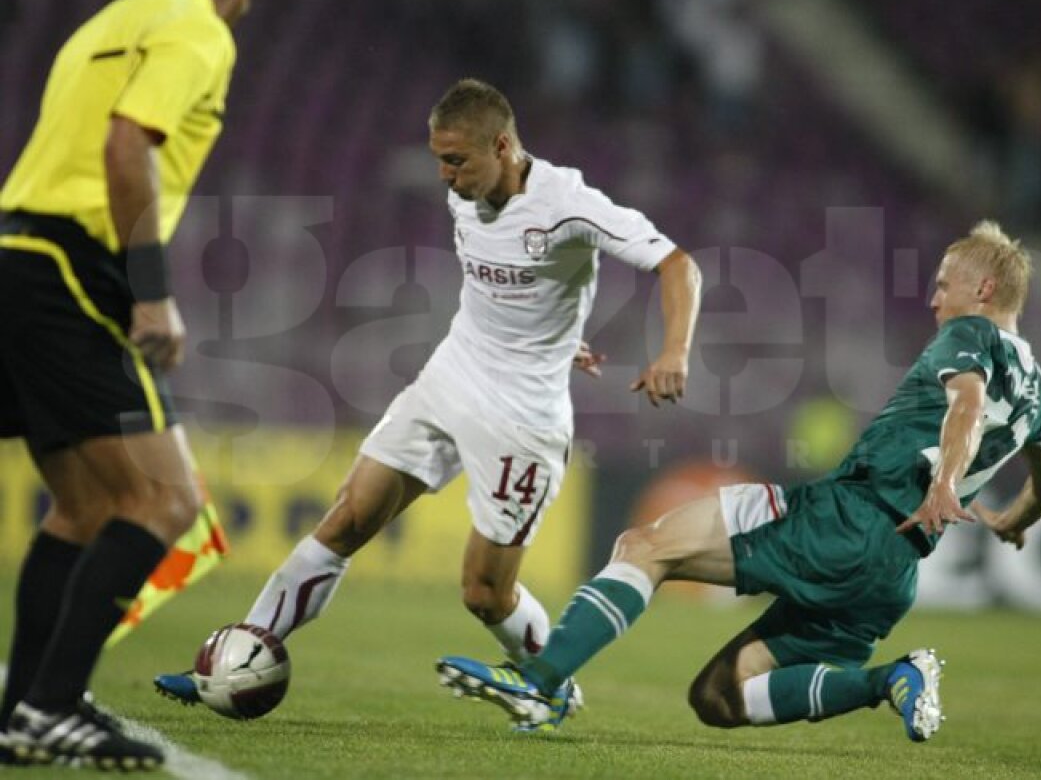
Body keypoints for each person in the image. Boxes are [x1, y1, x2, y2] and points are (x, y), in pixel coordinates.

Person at [153, 78, 703, 721]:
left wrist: (674, 353)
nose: (445, 176)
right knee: (348, 518)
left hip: (521, 419)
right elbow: (515, 292)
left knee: (484, 593)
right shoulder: (466, 192)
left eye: (457, 161)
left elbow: (677, 265)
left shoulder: (569, 204)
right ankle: (240, 655)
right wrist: (561, 337)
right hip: (450, 376)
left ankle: (551, 684)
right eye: (438, 159)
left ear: (502, 145)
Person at [438, 221, 1041, 740]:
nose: (934, 300)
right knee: (720, 696)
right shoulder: (1036, 388)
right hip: (894, 571)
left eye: (943, 285)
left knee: (644, 547)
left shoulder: (970, 334)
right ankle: (891, 679)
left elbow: (966, 403)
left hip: (843, 520)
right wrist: (1017, 520)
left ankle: (538, 682)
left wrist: (946, 482)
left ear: (983, 288)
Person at [0, 0, 261, 769]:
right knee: (166, 497)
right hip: (72, 265)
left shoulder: (115, 17)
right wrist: (152, 293)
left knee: (83, 507)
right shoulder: (198, 29)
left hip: (17, 253)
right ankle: (47, 707)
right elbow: (127, 141)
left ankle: (25, 709)